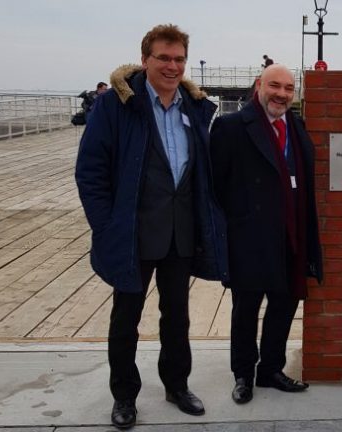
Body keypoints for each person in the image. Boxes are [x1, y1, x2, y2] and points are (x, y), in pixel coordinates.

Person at [74, 24, 228, 430]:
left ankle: (177, 386)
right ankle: (124, 396)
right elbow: (90, 172)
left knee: (177, 316)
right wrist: (106, 227)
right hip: (132, 234)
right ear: (145, 60)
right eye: (163, 58)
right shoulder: (116, 106)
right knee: (126, 318)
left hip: (180, 232)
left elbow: (200, 173)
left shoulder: (194, 108)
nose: (172, 66)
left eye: (179, 59)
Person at [209, 63, 322, 405]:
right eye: (275, 86)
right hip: (249, 237)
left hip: (291, 235)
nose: (282, 94)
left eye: (289, 89)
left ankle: (271, 369)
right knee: (246, 309)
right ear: (260, 85)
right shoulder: (230, 127)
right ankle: (243, 374)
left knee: (284, 305)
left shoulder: (296, 126)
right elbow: (217, 186)